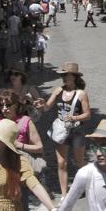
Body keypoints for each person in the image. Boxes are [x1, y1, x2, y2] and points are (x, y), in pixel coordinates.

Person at [35, 63, 91, 195]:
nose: (64, 78)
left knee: (79, 161)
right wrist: (41, 105)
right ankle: (65, 194)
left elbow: (88, 115)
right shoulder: (58, 90)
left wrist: (74, 118)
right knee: (61, 163)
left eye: (66, 75)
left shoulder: (81, 94)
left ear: (74, 76)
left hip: (77, 131)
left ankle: (90, 184)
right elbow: (47, 107)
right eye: (62, 75)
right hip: (61, 131)